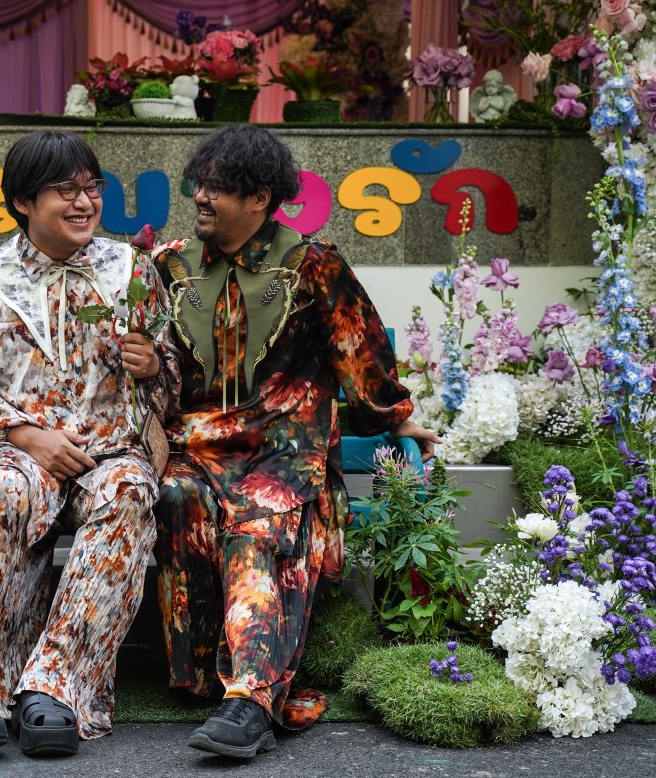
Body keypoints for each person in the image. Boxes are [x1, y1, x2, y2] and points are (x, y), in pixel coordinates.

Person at [151, 125, 440, 759]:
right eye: (199, 183)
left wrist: (392, 418)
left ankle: (251, 696)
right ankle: (204, 677)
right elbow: (150, 363)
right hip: (192, 452)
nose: (201, 197)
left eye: (220, 188)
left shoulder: (314, 266)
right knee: (173, 499)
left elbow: (361, 360)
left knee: (257, 524)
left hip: (281, 455)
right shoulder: (168, 265)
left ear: (261, 199)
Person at [0, 130, 179, 759]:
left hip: (109, 452)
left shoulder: (132, 272)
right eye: (66, 190)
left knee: (130, 493)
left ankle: (56, 687)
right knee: (7, 489)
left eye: (92, 187)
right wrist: (29, 437)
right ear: (24, 202)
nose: (84, 201)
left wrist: (151, 366)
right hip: (19, 452)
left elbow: (172, 375)